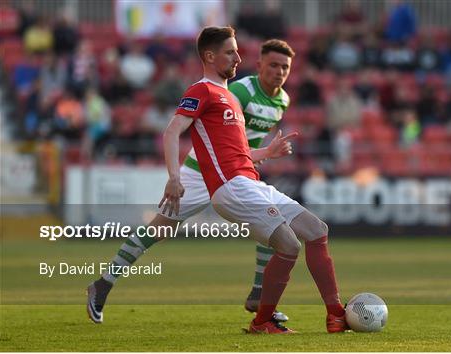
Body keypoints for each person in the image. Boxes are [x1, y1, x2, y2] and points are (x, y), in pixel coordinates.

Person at [86, 37, 309, 327]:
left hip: (237, 172)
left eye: (285, 67)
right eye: (273, 65)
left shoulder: (283, 101)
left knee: (273, 224)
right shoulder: (238, 90)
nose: (279, 72)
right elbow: (207, 128)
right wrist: (175, 176)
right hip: (201, 172)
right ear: (259, 65)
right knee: (159, 231)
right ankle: (103, 284)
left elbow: (239, 142)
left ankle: (259, 295)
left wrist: (262, 154)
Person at [162, 26, 347, 334]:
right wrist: (173, 177)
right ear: (209, 56)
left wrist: (268, 153)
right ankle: (262, 321)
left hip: (250, 181)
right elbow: (171, 131)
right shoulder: (202, 90)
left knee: (316, 230)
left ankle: (336, 314)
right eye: (231, 51)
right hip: (230, 187)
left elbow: (238, 151)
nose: (238, 57)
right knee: (288, 245)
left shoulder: (229, 97)